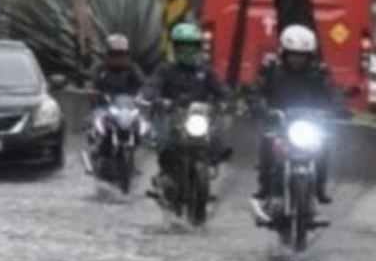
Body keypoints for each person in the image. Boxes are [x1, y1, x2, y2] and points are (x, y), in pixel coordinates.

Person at [250, 24, 345, 204]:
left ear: (310, 56)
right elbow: (256, 89)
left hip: (310, 124)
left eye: (302, 55)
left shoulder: (319, 74)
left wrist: (340, 106)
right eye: (293, 54)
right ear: (284, 53)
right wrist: (256, 104)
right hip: (279, 123)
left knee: (324, 146)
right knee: (267, 144)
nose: (297, 59)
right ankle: (265, 185)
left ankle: (319, 187)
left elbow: (333, 92)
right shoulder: (271, 71)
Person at [142, 22, 231, 193]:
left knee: (219, 135)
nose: (187, 49)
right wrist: (156, 98)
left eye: (192, 45)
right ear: (175, 47)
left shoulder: (205, 71)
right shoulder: (165, 69)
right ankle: (166, 173)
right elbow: (152, 86)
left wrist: (226, 100)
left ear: (198, 47)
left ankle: (213, 161)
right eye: (183, 45)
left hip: (197, 119)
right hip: (172, 117)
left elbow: (221, 88)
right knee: (164, 140)